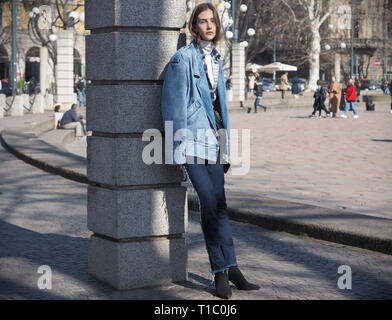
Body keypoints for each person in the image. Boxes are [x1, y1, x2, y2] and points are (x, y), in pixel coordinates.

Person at [161, 2, 259, 300]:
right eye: (202, 21)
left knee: (219, 205)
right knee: (207, 201)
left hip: (213, 143)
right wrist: (175, 151)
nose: (208, 25)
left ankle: (231, 267)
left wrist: (225, 146)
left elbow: (218, 109)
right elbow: (173, 108)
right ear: (194, 26)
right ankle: (220, 271)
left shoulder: (216, 58)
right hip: (191, 143)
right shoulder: (182, 60)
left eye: (212, 21)